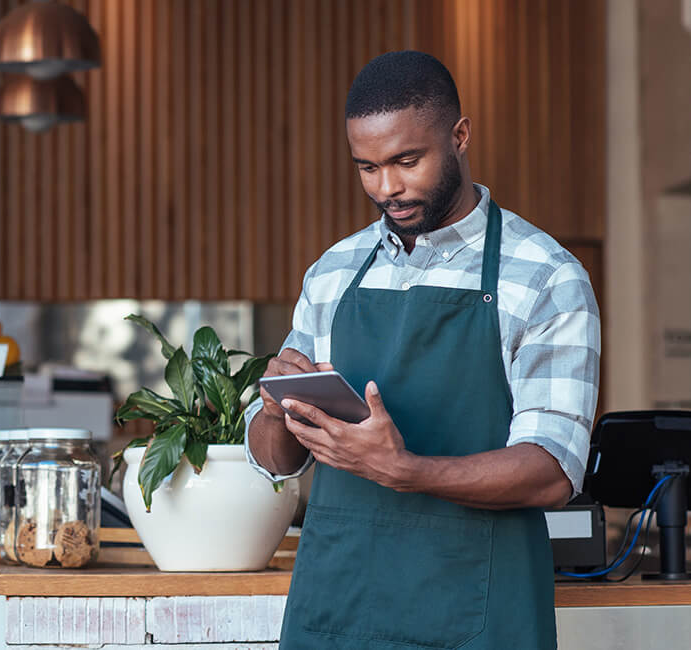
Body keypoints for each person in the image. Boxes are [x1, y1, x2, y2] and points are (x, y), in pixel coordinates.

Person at [244, 51, 600, 649]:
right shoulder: (333, 273)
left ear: (460, 136)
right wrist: (277, 411)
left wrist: (405, 471)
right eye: (367, 167)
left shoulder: (544, 277)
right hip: (337, 609)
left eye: (408, 160)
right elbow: (275, 462)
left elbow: (551, 471)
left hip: (479, 615)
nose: (388, 188)